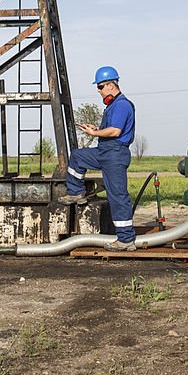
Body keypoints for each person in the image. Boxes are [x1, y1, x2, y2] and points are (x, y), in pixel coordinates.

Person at [59, 65, 137, 251]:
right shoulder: (112, 106)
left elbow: (115, 131)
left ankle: (126, 239)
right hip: (105, 152)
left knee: (117, 196)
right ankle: (76, 192)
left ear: (111, 85)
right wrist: (95, 130)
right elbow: (108, 131)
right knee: (78, 157)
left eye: (100, 87)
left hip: (115, 154)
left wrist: (94, 134)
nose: (99, 91)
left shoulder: (122, 105)